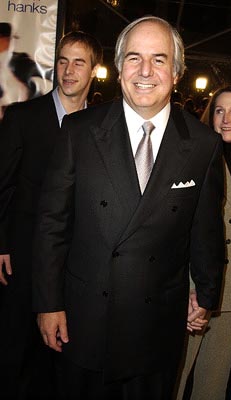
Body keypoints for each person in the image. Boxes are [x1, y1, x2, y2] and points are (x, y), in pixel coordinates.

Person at [32, 16, 225, 400]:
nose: (145, 71)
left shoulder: (203, 144)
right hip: (84, 319)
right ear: (119, 69)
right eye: (134, 58)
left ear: (176, 72)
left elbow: (205, 229)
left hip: (157, 325)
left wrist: (205, 294)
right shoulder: (79, 130)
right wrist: (48, 303)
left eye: (159, 59)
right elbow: (52, 224)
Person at [0, 31, 102, 399]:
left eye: (79, 62)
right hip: (23, 256)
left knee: (59, 355)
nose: (69, 70)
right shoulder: (23, 117)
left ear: (95, 70)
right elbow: (2, 184)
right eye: (63, 61)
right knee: (15, 349)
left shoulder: (101, 128)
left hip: (76, 263)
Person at [176, 85, 231, 400]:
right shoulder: (193, 155)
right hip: (194, 283)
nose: (226, 119)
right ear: (209, 116)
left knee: (215, 376)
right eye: (219, 110)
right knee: (177, 370)